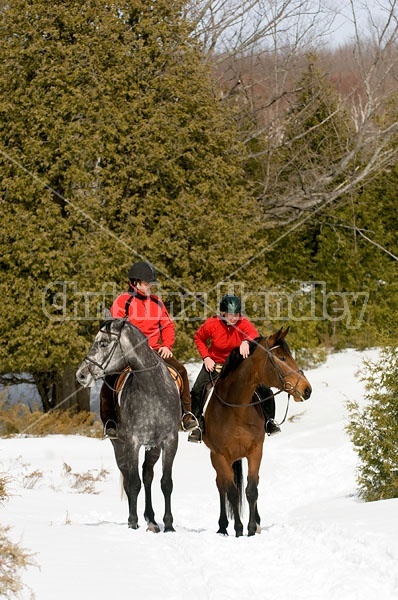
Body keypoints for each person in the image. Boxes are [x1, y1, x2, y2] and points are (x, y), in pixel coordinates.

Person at [101, 261, 198, 438]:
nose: (151, 287)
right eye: (148, 284)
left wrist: (167, 345)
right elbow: (116, 327)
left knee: (181, 371)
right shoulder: (124, 301)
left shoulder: (157, 302)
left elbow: (167, 325)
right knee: (110, 378)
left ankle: (186, 415)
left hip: (155, 351)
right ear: (135, 283)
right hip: (129, 353)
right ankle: (110, 421)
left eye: (152, 284)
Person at [188, 294, 281, 443]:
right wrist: (206, 357)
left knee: (263, 388)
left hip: (236, 366)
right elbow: (198, 338)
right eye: (231, 315)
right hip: (215, 364)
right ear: (223, 313)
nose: (234, 318)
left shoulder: (243, 323)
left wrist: (245, 341)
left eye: (237, 314)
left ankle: (269, 421)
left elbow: (254, 335)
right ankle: (197, 426)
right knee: (198, 389)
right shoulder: (212, 324)